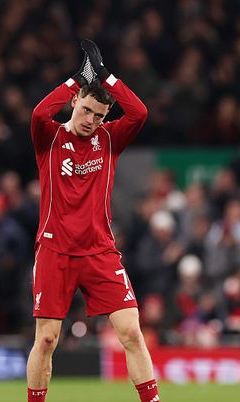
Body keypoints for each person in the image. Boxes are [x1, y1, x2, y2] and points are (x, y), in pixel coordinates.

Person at [26, 40, 160, 402]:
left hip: (100, 251)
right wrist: (76, 79)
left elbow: (140, 113)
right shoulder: (49, 138)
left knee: (132, 333)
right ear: (74, 103)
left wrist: (105, 76)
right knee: (48, 338)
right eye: (86, 110)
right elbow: (39, 113)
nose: (91, 121)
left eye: (99, 115)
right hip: (56, 251)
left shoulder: (110, 140)